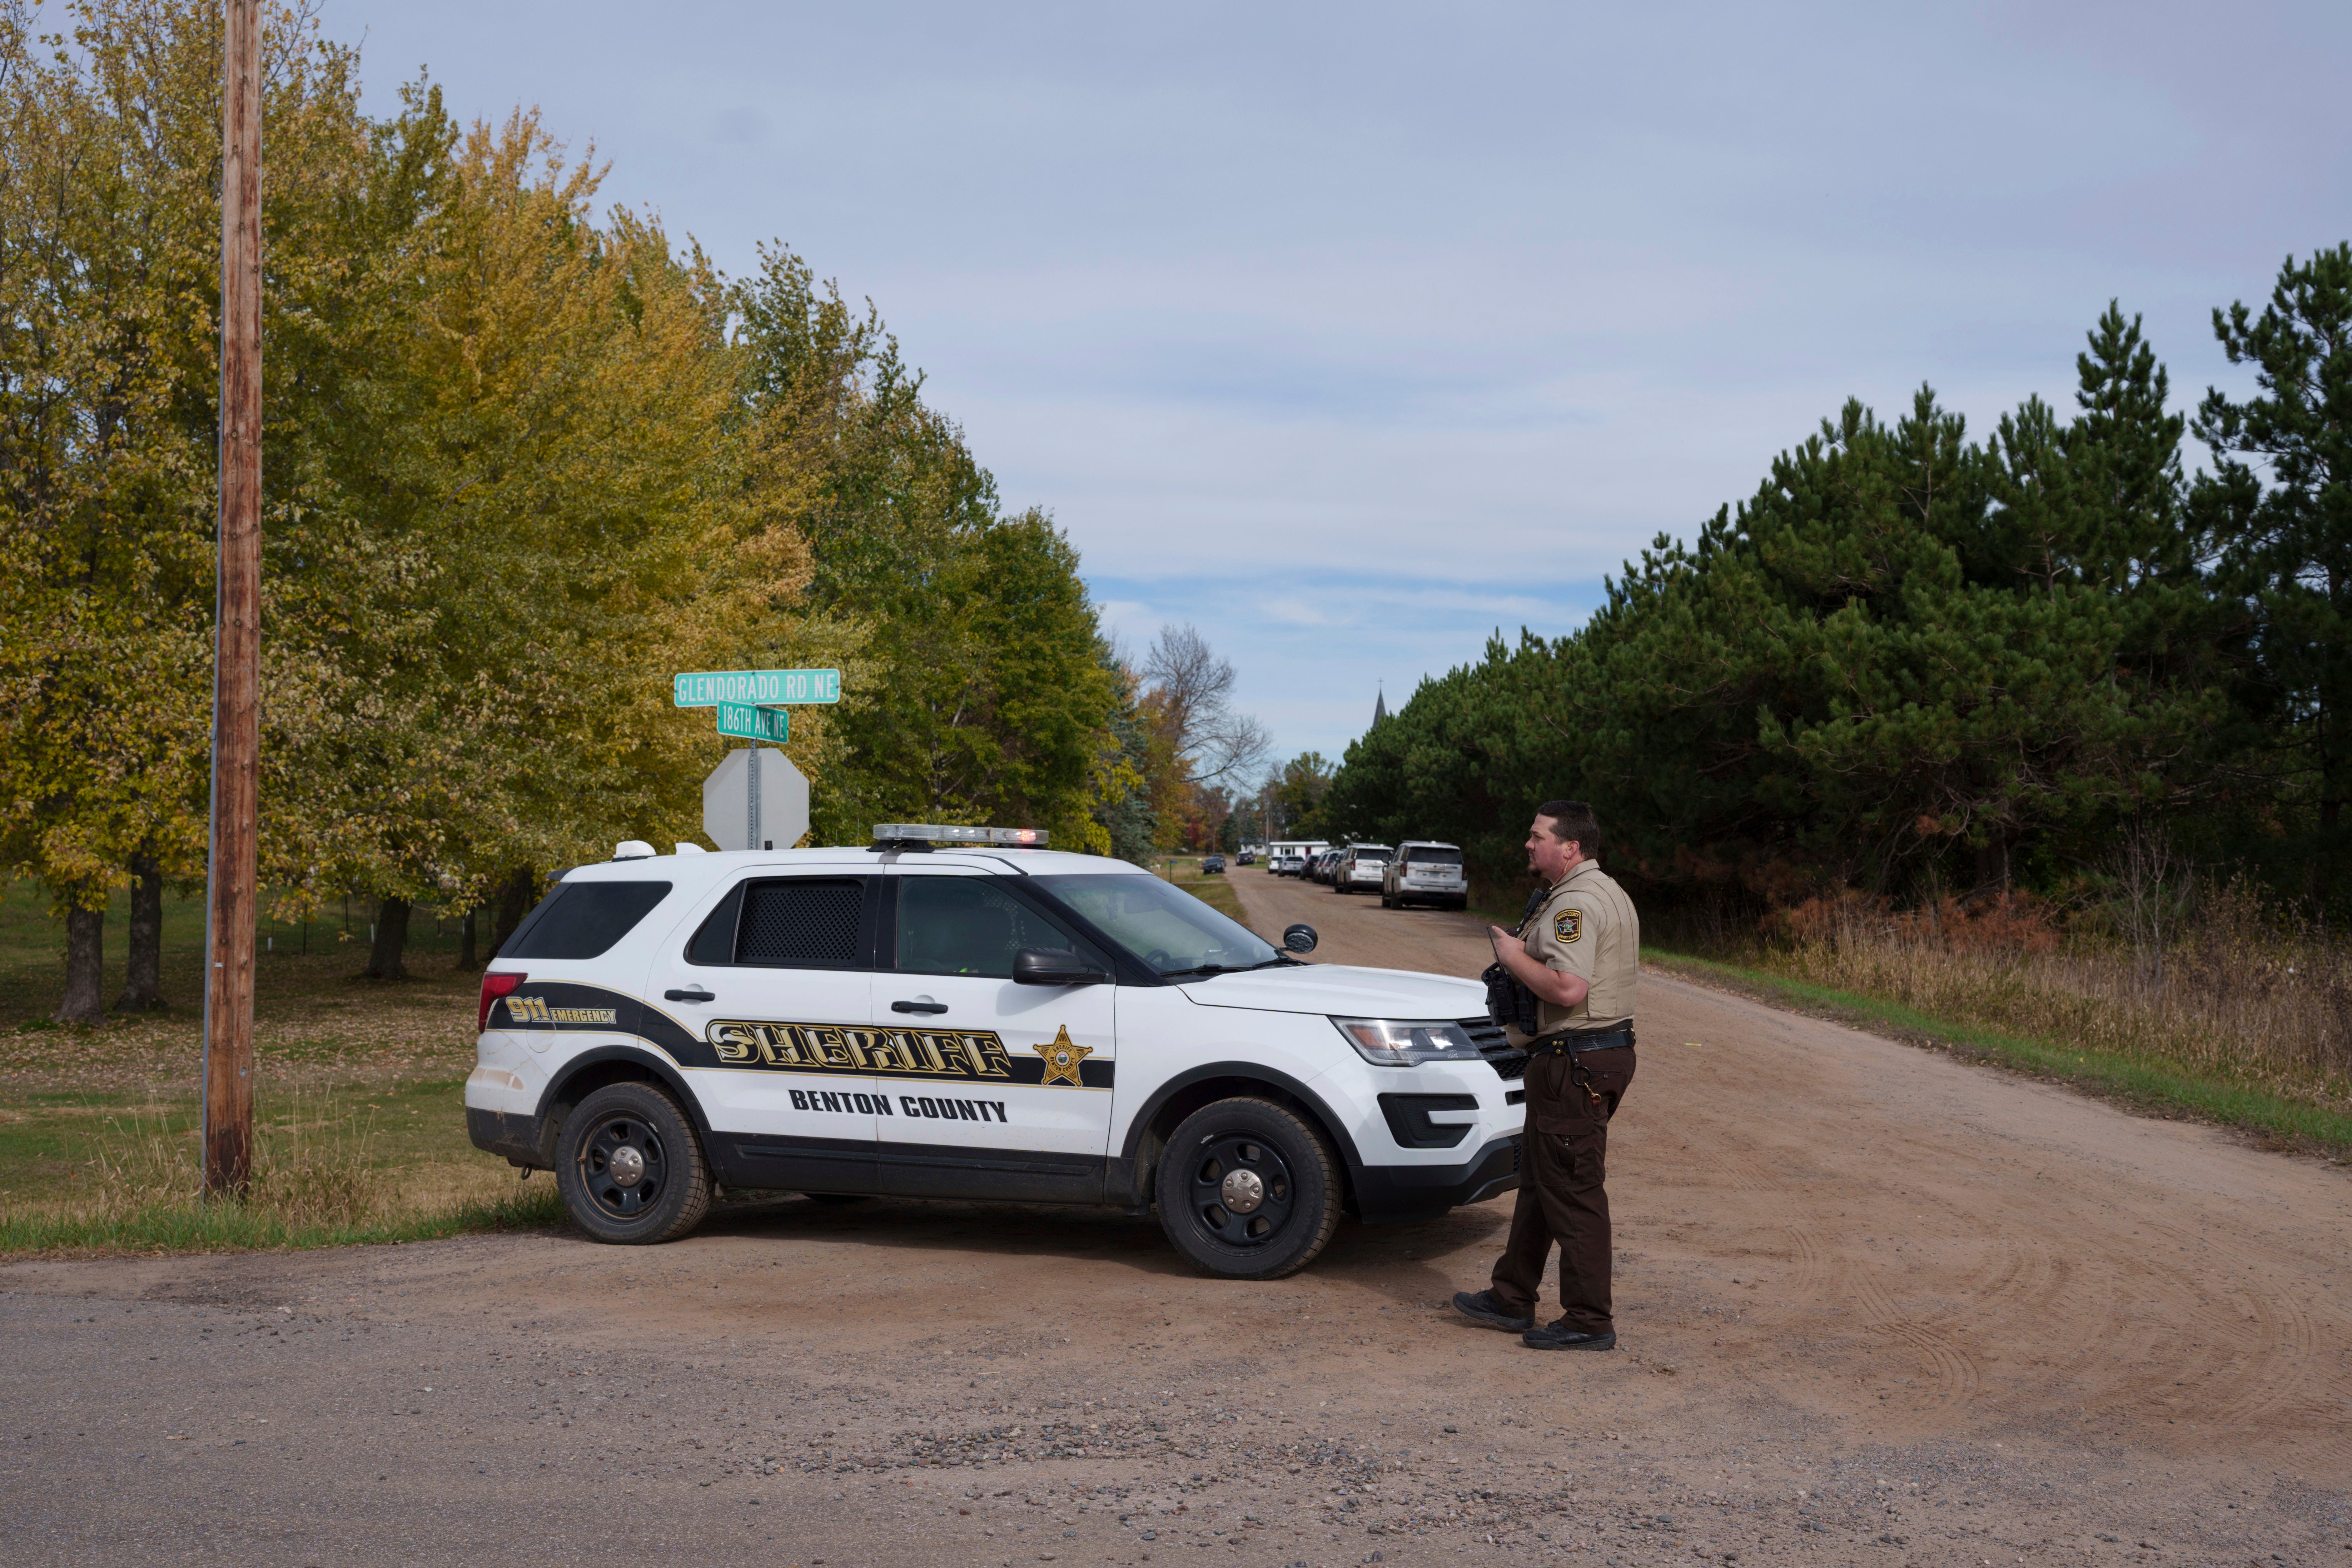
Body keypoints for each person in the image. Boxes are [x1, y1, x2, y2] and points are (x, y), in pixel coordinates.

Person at [1453, 800, 1638, 1351]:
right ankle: (1512, 1295)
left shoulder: (1576, 902)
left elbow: (1566, 988)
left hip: (1573, 1062)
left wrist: (1512, 955)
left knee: (1575, 1190)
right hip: (1580, 1057)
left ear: (1570, 846)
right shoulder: (1603, 890)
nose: (1529, 844)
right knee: (1540, 1181)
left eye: (1538, 836)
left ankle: (1588, 1319)